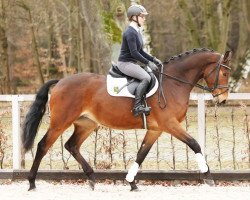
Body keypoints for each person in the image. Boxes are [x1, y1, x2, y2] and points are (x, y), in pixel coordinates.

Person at [117, 4, 162, 117]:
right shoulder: (130, 32)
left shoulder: (136, 32)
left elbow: (140, 51)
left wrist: (153, 59)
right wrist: (148, 63)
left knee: (150, 75)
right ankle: (137, 107)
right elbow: (134, 53)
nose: (144, 18)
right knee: (146, 77)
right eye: (142, 16)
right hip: (125, 63)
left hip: (132, 63)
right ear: (134, 17)